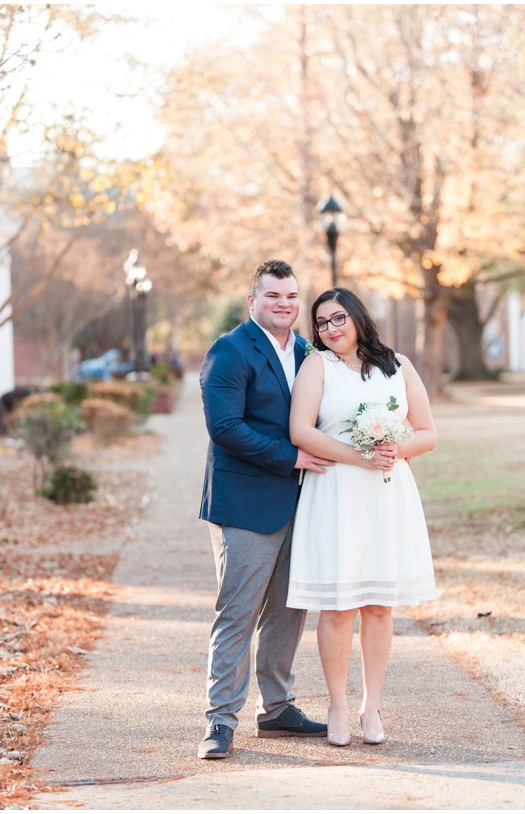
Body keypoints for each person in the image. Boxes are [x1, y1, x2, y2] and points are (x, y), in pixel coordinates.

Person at [287, 287, 437, 747]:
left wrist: (395, 448)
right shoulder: (317, 367)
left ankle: (371, 705)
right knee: (337, 607)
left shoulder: (398, 365)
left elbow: (427, 432)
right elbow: (301, 430)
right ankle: (337, 704)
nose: (330, 329)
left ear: (356, 317)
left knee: (377, 605)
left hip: (386, 494)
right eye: (321, 323)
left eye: (338, 319)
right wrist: (359, 456)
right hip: (336, 492)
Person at [197, 259, 334, 759]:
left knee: (289, 608)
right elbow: (225, 428)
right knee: (238, 612)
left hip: (301, 502)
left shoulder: (306, 351)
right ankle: (219, 720)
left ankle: (277, 708)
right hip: (246, 505)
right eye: (273, 295)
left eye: (292, 296)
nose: (284, 304)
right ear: (252, 300)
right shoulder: (230, 350)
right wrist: (292, 456)